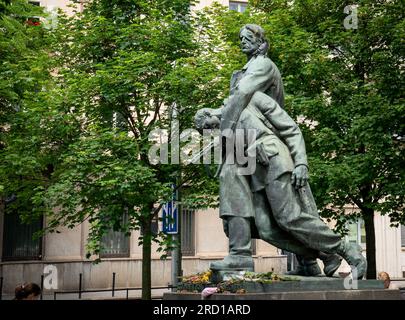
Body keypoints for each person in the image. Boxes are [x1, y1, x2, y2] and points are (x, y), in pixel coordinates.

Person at [195, 24, 367, 279]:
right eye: (205, 127)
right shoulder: (234, 114)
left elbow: (291, 129)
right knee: (266, 228)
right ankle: (315, 255)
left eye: (247, 38)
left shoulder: (254, 94)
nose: (242, 42)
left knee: (289, 218)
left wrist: (301, 163)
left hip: (274, 159)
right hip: (254, 164)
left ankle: (346, 249)